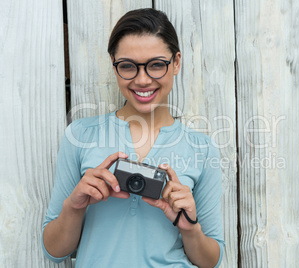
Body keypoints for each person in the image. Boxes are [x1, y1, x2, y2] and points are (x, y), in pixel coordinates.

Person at [42, 8, 224, 268]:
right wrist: (75, 206)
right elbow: (54, 251)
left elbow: (211, 261)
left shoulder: (203, 149)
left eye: (156, 65)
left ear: (176, 63)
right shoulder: (80, 136)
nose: (142, 80)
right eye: (127, 66)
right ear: (114, 65)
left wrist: (189, 226)